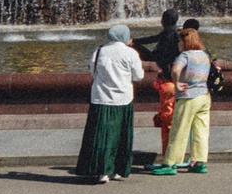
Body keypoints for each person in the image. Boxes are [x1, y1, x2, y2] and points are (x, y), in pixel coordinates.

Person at [77, 23, 145, 181]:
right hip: (123, 99)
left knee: (101, 135)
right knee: (121, 135)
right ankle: (117, 169)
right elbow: (138, 76)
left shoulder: (99, 51)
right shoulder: (131, 53)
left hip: (101, 98)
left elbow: (93, 72)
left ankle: (101, 171)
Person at [150, 26, 217, 175]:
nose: (178, 44)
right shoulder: (204, 55)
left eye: (180, 41)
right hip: (204, 97)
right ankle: (200, 162)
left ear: (186, 42)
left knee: (179, 130)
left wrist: (176, 83)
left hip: (188, 96)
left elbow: (175, 70)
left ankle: (170, 163)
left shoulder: (185, 56)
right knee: (201, 130)